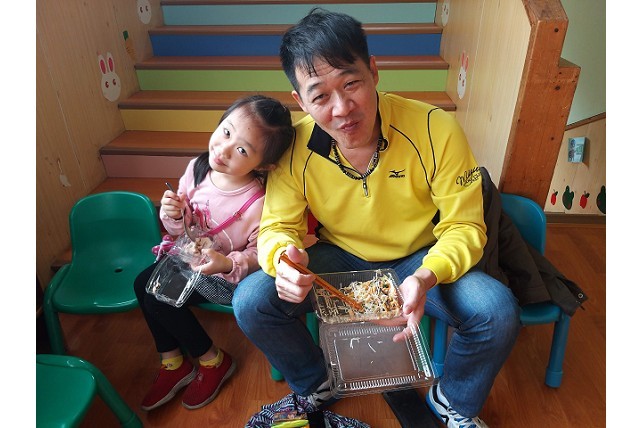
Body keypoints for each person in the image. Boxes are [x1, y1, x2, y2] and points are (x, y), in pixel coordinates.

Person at [232, 9, 521, 427]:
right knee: (251, 301)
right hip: (340, 259)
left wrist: (426, 276)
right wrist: (282, 260)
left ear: (373, 71)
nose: (342, 109)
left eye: (351, 83)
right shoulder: (295, 147)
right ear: (300, 101)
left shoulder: (434, 128)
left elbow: (464, 226)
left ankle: (452, 401)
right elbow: (278, 226)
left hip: (420, 258)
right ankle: (317, 384)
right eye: (320, 96)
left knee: (495, 310)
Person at [133, 95, 294, 411]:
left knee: (157, 294)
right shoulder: (197, 168)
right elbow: (180, 229)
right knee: (143, 284)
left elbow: (258, 254)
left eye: (242, 150)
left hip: (225, 277)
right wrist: (174, 214)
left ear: (264, 165)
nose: (224, 149)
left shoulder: (259, 202)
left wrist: (227, 263)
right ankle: (172, 360)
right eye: (226, 132)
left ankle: (212, 360)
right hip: (189, 259)